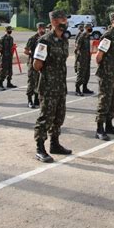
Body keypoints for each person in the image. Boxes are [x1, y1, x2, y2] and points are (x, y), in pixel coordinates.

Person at [33, 10, 72, 163]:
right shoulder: (44, 41)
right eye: (63, 19)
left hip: (60, 85)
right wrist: (49, 72)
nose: (66, 22)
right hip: (48, 86)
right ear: (54, 21)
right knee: (46, 117)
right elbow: (37, 65)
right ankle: (40, 148)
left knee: (58, 116)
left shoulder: (64, 40)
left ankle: (54, 144)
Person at [95, 11, 114, 141]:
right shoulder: (108, 36)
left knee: (113, 101)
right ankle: (99, 129)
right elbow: (98, 57)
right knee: (104, 101)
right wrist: (106, 68)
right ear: (113, 21)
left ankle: (109, 125)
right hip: (106, 75)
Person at [24, 22, 45, 108]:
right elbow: (26, 51)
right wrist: (33, 54)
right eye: (41, 28)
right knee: (31, 82)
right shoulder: (32, 39)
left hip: (42, 64)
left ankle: (37, 99)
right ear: (38, 28)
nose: (42, 30)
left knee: (39, 82)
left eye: (43, 28)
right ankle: (29, 100)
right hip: (32, 63)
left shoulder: (45, 38)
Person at [75, 23, 94, 96]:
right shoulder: (82, 36)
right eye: (90, 27)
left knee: (87, 74)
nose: (91, 29)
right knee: (81, 74)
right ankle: (77, 89)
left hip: (87, 58)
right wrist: (78, 58)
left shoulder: (88, 36)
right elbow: (77, 47)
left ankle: (85, 88)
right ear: (86, 28)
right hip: (82, 58)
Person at [0, 26, 17, 91]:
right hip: (4, 57)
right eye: (10, 30)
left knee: (10, 70)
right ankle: (1, 84)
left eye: (11, 30)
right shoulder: (3, 38)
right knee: (3, 70)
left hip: (9, 56)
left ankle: (9, 83)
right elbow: (0, 49)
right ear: (6, 30)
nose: (10, 31)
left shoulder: (11, 38)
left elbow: (11, 47)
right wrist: (3, 53)